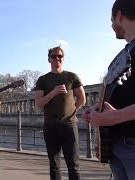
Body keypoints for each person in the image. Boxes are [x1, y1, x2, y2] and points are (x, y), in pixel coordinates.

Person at [84, 0, 135, 179]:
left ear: (119, 15)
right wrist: (96, 112)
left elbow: (116, 113)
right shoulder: (123, 54)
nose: (112, 25)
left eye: (112, 20)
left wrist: (115, 117)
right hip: (116, 145)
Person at [34, 46, 86, 180]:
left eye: (60, 56)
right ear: (49, 59)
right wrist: (53, 93)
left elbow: (82, 99)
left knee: (73, 164)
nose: (57, 58)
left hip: (69, 125)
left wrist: (73, 113)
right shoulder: (42, 80)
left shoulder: (72, 76)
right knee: (54, 165)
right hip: (50, 125)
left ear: (63, 59)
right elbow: (39, 103)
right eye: (54, 56)